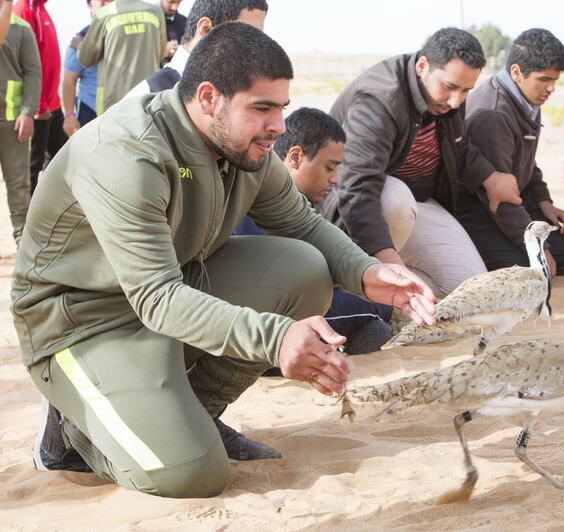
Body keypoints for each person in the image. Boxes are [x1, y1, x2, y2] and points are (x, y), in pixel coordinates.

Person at [14, 23, 435, 498]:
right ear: (209, 97)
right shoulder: (128, 154)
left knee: (305, 270)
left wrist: (367, 272)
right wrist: (277, 339)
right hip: (82, 325)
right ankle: (72, 430)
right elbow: (157, 297)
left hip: (169, 292)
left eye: (281, 108)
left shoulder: (241, 147)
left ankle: (196, 413)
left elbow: (305, 226)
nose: (277, 126)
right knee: (193, 474)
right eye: (262, 108)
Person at [319, 27, 524, 299]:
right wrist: (388, 263)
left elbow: (458, 146)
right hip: (361, 209)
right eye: (450, 87)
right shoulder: (379, 100)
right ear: (422, 66)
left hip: (420, 203)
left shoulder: (450, 96)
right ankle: (370, 295)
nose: (456, 101)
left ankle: (402, 299)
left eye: (466, 90)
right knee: (395, 199)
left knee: (467, 288)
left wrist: (490, 177)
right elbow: (357, 189)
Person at [237, 107, 394, 354]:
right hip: (260, 331)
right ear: (296, 157)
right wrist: (386, 300)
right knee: (381, 308)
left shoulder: (290, 200)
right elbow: (289, 306)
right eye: (329, 167)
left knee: (375, 328)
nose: (336, 179)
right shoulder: (258, 204)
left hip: (276, 318)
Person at [459, 28, 564, 276]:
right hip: (481, 208)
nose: (551, 88)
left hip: (516, 197)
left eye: (554, 80)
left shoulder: (529, 99)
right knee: (530, 269)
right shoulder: (493, 115)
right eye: (544, 79)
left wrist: (545, 202)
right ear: (516, 72)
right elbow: (498, 198)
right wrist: (536, 249)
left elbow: (526, 162)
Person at [124, 0, 267, 99]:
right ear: (206, 29)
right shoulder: (149, 96)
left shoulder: (234, 93)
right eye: (247, 35)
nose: (254, 47)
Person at [12, 0, 66, 192]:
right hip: (38, 108)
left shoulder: (42, 9)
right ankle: (30, 221)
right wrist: (38, 105)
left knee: (65, 159)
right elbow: (27, 65)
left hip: (53, 105)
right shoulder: (23, 11)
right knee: (32, 168)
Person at [78, 0, 166, 115]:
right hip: (148, 99)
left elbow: (85, 59)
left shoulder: (104, 14)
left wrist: (80, 45)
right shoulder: (156, 11)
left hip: (113, 102)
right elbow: (161, 53)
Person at [0, 10, 40, 244]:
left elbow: (33, 71)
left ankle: (22, 245)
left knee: (19, 187)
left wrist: (27, 112)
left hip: (13, 120)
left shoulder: (22, 29)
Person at [61, 0, 110, 137]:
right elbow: (69, 78)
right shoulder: (82, 36)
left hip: (121, 109)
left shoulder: (126, 35)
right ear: (90, 7)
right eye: (101, 1)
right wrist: (69, 114)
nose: (106, 3)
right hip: (90, 110)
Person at [160, 0, 185, 66]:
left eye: (178, 2)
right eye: (171, 2)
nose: (175, 7)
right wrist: (160, 51)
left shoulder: (185, 21)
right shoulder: (150, 22)